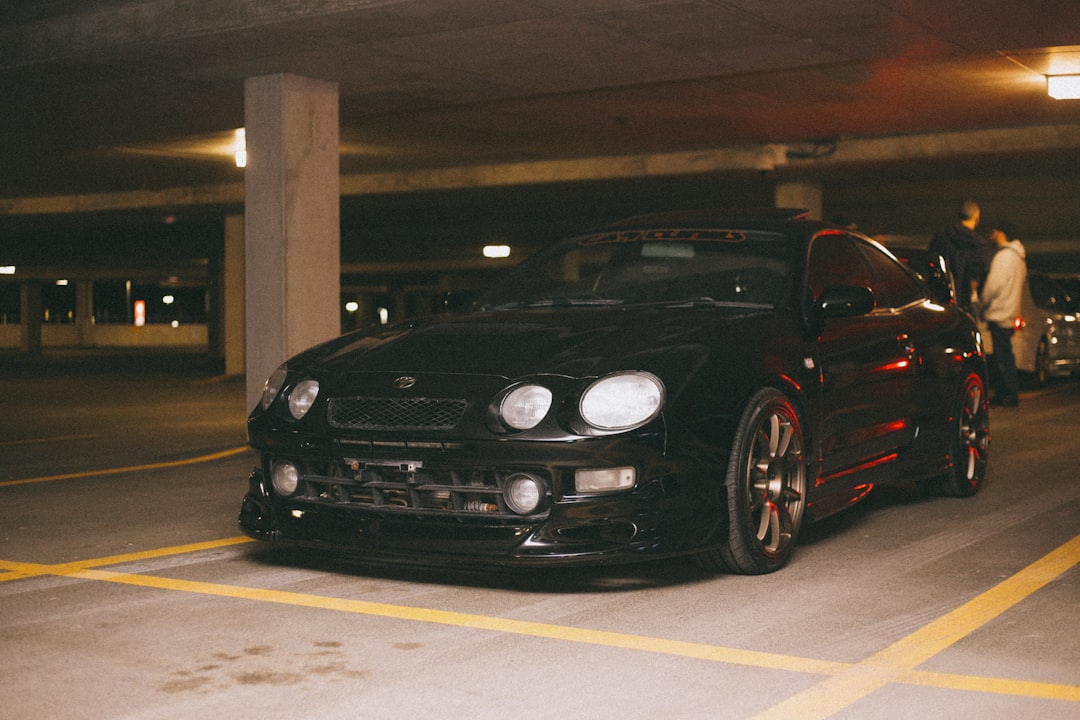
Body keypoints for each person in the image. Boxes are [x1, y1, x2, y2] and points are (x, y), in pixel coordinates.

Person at [979, 222, 1027, 407]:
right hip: (1009, 312)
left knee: (1002, 357)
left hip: (999, 312)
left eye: (994, 232)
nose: (991, 236)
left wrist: (982, 304)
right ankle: (1007, 392)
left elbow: (993, 286)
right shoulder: (1019, 259)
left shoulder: (1003, 257)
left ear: (1001, 233)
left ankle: (1007, 394)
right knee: (1005, 355)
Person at [929, 200, 994, 310]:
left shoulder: (941, 235)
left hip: (941, 294)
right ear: (976, 217)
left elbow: (931, 258)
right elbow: (977, 275)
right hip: (965, 300)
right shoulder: (979, 245)